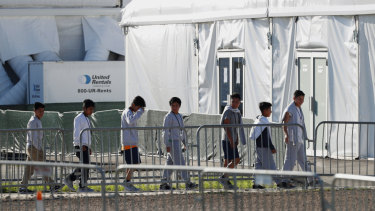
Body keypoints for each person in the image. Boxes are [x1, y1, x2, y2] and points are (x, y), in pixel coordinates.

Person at [19, 102, 63, 194]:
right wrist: (39, 149)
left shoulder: (37, 120)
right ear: (34, 111)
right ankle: (52, 185)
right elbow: (34, 137)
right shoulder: (33, 121)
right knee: (42, 166)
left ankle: (23, 187)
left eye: (43, 111)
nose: (41, 113)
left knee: (29, 168)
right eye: (39, 111)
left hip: (33, 147)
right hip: (34, 148)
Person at [160, 97, 198, 190]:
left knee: (170, 163)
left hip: (177, 142)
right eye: (173, 105)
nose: (174, 107)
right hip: (172, 142)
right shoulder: (168, 116)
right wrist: (167, 145)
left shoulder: (179, 116)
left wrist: (184, 142)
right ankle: (187, 182)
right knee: (180, 162)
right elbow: (165, 132)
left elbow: (182, 131)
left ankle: (164, 183)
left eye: (176, 105)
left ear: (179, 106)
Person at [281, 90, 312, 188]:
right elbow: (284, 123)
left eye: (302, 99)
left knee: (303, 160)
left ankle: (311, 179)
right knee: (290, 160)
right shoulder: (290, 109)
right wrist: (286, 135)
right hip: (292, 139)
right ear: (294, 98)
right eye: (299, 99)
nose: (301, 101)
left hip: (299, 139)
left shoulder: (298, 108)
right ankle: (284, 180)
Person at [64, 99, 95, 192]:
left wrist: (89, 146)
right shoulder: (78, 118)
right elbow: (77, 133)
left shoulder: (87, 119)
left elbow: (87, 134)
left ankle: (79, 184)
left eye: (92, 109)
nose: (91, 111)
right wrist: (80, 145)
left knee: (85, 165)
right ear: (84, 108)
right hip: (80, 146)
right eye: (90, 109)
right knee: (84, 165)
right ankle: (78, 184)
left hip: (85, 146)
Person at [250, 102, 281, 189]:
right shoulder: (263, 122)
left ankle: (256, 183)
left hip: (259, 147)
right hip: (264, 147)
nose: (271, 112)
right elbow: (266, 137)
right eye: (269, 110)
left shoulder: (259, 120)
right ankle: (279, 182)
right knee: (271, 165)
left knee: (258, 165)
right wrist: (271, 147)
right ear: (265, 110)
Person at [219, 93, 246, 189]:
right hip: (227, 139)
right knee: (236, 160)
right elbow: (226, 126)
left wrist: (237, 138)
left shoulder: (237, 112)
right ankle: (223, 177)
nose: (234, 103)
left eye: (237, 102)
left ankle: (225, 182)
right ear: (230, 101)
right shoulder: (228, 111)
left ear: (239, 103)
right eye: (233, 101)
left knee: (227, 160)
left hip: (233, 139)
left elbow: (236, 127)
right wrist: (231, 140)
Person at [121, 96, 146, 192]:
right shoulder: (127, 112)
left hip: (131, 142)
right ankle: (127, 182)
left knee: (132, 163)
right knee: (134, 163)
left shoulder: (130, 112)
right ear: (134, 105)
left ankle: (127, 182)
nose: (139, 110)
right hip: (128, 143)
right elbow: (130, 121)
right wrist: (139, 112)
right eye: (139, 107)